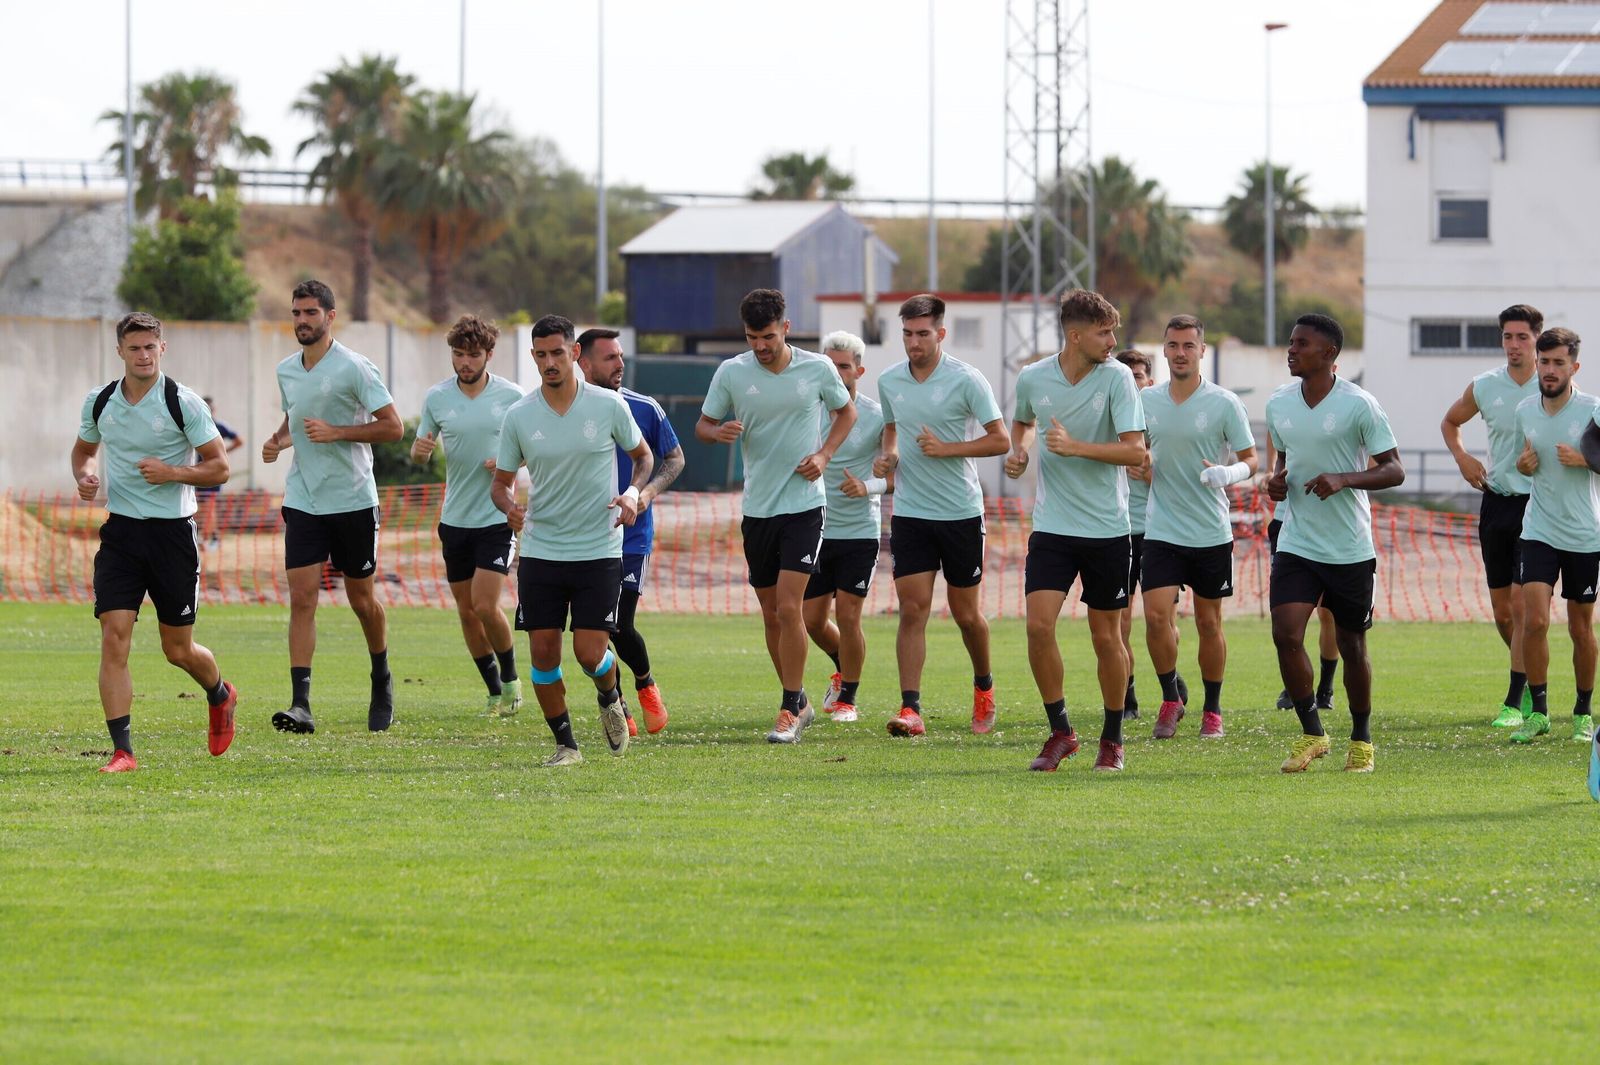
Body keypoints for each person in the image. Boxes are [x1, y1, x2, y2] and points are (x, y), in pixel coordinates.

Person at [69, 312, 238, 772]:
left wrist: (172, 472)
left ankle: (220, 693)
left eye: (150, 347)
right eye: (134, 348)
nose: (143, 356)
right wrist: (85, 475)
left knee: (177, 650)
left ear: (162, 348)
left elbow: (220, 467)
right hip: (121, 534)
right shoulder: (100, 401)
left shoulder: (183, 403)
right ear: (119, 352)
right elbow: (84, 451)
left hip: (172, 535)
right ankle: (123, 751)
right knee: (114, 638)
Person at [491, 315, 654, 766]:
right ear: (533, 357)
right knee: (543, 656)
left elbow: (644, 458)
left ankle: (610, 695)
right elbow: (501, 483)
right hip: (541, 550)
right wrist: (510, 508)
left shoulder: (607, 406)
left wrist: (633, 493)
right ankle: (566, 746)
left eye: (558, 353)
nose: (550, 363)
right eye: (541, 355)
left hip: (598, 549)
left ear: (574, 353)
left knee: (589, 653)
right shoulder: (520, 415)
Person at [697, 289, 856, 743]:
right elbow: (703, 426)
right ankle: (800, 700)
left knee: (789, 606)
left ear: (785, 328)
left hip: (804, 505)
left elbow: (846, 413)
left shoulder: (817, 368)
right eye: (752, 338)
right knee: (771, 614)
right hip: (758, 509)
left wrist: (824, 455)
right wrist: (717, 432)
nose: (760, 346)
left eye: (768, 336)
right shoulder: (732, 372)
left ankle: (788, 709)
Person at [1006, 289, 1146, 772]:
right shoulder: (1033, 376)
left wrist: (1076, 447)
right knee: (1037, 626)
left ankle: (1113, 738)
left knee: (1107, 638)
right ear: (1075, 335)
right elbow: (1023, 422)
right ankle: (1061, 732)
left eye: (1113, 332)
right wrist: (1020, 449)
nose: (1112, 342)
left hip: (1107, 529)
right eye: (1104, 333)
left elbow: (1136, 452)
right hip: (1052, 527)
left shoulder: (1119, 378)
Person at [261, 280, 403, 735]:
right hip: (304, 499)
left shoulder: (355, 367)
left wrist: (338, 432)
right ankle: (301, 704)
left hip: (353, 500)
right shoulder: (286, 369)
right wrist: (278, 440)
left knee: (362, 600)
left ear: (330, 317)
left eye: (310, 313)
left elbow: (393, 427)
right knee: (303, 598)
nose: (302, 321)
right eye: (296, 313)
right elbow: (294, 417)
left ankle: (381, 677)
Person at [1265, 313, 1404, 774]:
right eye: (1291, 342)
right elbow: (1283, 461)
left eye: (1301, 344)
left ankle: (1361, 739)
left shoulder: (1360, 405)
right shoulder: (1278, 403)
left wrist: (1345, 478)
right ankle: (1312, 733)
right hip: (1297, 540)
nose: (1291, 350)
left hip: (1348, 546)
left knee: (1351, 644)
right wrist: (1276, 482)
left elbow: (1394, 469)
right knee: (1286, 633)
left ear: (1328, 353)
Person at [874, 293, 1009, 737]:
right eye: (907, 334)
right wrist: (889, 456)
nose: (914, 342)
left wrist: (948, 449)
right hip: (911, 513)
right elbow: (891, 430)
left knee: (966, 614)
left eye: (922, 334)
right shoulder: (890, 381)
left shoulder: (967, 380)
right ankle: (910, 709)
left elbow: (1001, 440)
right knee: (912, 610)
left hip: (960, 514)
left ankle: (984, 688)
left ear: (941, 334)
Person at [1140, 315, 1257, 739]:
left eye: (1189, 345)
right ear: (1164, 349)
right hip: (1162, 529)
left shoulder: (1224, 403)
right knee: (1156, 617)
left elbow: (1252, 459)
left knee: (1209, 623)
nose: (1180, 353)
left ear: (1202, 350)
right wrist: (1138, 462)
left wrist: (1228, 473)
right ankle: (1171, 699)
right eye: (1173, 345)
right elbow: (1132, 448)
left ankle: (1212, 708)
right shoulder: (1145, 401)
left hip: (1210, 531)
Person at [413, 314, 525, 718]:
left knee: (484, 605)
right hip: (454, 520)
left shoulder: (513, 397)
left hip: (496, 517)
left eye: (473, 355)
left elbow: (533, 447)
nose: (464, 362)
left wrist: (509, 463)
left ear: (489, 355)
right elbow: (420, 449)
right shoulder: (437, 397)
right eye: (458, 354)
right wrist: (419, 452)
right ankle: (493, 691)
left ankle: (511, 681)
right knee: (466, 611)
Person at [578, 326, 686, 736]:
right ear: (583, 362)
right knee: (594, 630)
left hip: (632, 537)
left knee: (619, 624)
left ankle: (645, 684)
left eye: (621, 356)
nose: (620, 364)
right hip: (580, 538)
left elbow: (674, 458)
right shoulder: (566, 410)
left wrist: (647, 493)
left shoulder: (644, 408)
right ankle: (617, 703)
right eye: (610, 358)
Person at [1440, 304, 1542, 728]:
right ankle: (1532, 672)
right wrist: (1462, 457)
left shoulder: (1551, 385)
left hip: (1538, 507)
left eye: (1522, 337)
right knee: (1503, 613)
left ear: (1537, 340)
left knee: (1521, 606)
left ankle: (1515, 700)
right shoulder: (1485, 386)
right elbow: (1450, 422)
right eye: (1507, 337)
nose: (1513, 345)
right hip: (1496, 503)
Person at [1508, 327, 1597, 746]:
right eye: (1544, 361)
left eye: (1559, 362)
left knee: (1580, 629)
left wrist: (1586, 459)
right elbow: (1524, 459)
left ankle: (1582, 713)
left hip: (1584, 535)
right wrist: (1523, 466)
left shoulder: (1593, 410)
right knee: (1535, 621)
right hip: (1538, 530)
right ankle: (1539, 713)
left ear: (1574, 367)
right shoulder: (1525, 410)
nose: (1549, 369)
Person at [805, 331, 891, 723]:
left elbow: (897, 473)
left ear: (859, 370)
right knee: (810, 620)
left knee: (849, 616)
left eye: (843, 366)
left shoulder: (876, 415)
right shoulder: (809, 409)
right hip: (815, 528)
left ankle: (848, 700)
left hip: (859, 531)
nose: (837, 373)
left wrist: (870, 485)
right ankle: (844, 668)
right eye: (830, 365)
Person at [1261, 435, 1340, 712]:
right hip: (1286, 523)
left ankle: (1326, 688)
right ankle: (1296, 685)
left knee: (1328, 612)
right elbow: (1276, 437)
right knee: (1290, 613)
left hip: (1332, 521)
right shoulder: (1283, 412)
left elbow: (1377, 458)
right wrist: (1271, 471)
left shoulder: (1349, 415)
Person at [1114, 349, 1160, 720]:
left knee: (1162, 622)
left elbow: (1179, 477)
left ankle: (1171, 686)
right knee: (1122, 622)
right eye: (1125, 376)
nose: (1131, 383)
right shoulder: (1110, 419)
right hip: (1119, 532)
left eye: (1138, 376)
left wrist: (1149, 471)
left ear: (1149, 382)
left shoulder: (1160, 421)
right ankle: (1128, 696)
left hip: (1159, 533)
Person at [196, 396, 243, 550]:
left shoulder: (219, 426)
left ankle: (206, 539)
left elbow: (239, 441)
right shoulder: (197, 424)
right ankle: (212, 536)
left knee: (209, 506)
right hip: (198, 471)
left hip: (213, 471)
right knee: (204, 507)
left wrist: (222, 454)